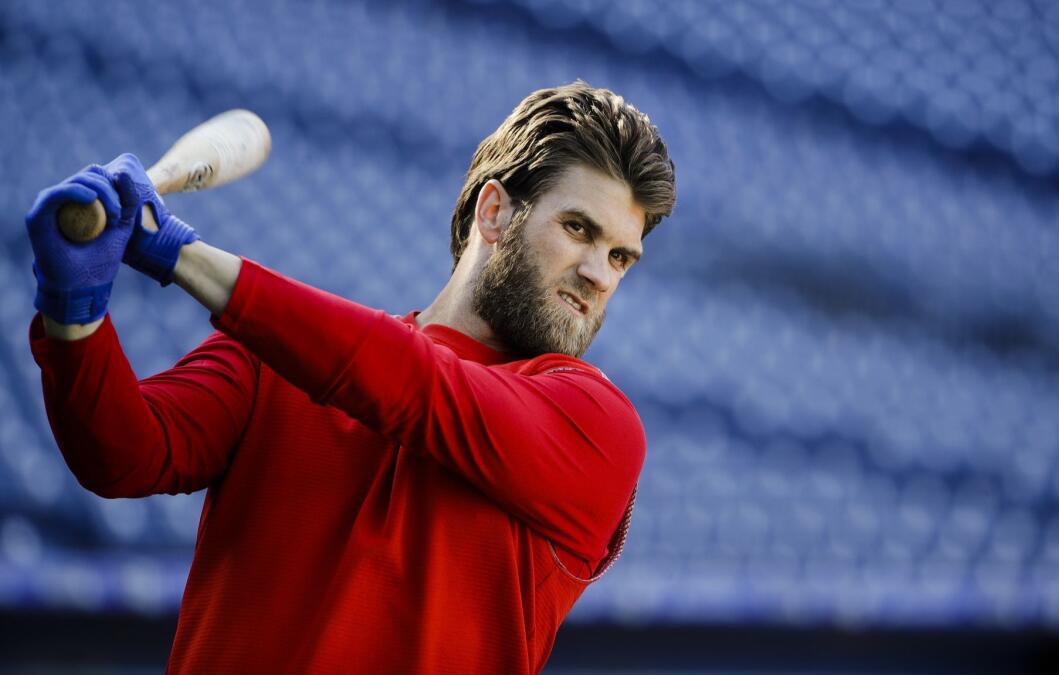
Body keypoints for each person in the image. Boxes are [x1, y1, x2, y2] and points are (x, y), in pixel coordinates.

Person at [25, 81, 676, 673]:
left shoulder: (597, 425)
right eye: (577, 228)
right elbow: (123, 455)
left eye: (621, 255)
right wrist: (72, 307)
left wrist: (176, 250)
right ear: (494, 212)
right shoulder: (277, 351)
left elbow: (419, 387)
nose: (599, 273)